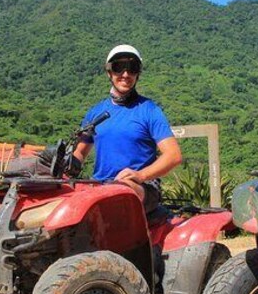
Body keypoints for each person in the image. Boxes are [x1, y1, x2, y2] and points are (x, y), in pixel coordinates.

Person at [72, 44, 182, 211]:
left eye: (132, 69)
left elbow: (173, 155)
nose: (125, 74)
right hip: (99, 185)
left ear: (138, 74)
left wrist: (141, 175)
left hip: (141, 187)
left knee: (120, 192)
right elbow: (79, 152)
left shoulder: (150, 110)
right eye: (118, 68)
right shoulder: (95, 112)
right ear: (109, 72)